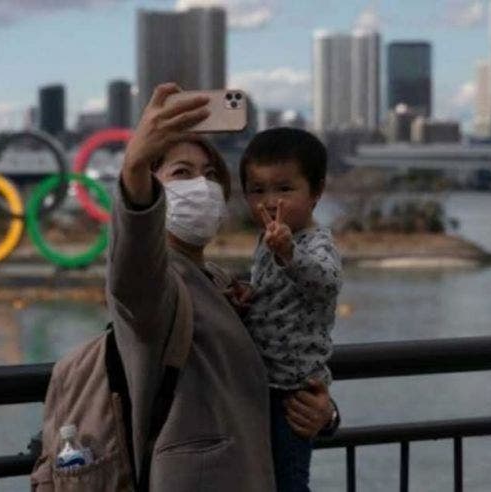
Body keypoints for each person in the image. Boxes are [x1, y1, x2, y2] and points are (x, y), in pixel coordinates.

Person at [108, 82, 339, 490]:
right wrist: (133, 169)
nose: (203, 184)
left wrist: (324, 413)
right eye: (182, 172)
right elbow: (131, 266)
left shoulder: (220, 283)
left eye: (212, 174)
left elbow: (264, 368)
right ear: (153, 186)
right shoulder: (154, 285)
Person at [238, 128, 342, 491]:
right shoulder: (267, 241)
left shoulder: (314, 242)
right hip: (262, 384)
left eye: (284, 189)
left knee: (288, 481)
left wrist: (288, 254)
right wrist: (246, 296)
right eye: (257, 190)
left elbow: (326, 282)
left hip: (291, 390)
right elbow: (270, 292)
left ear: (315, 193)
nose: (269, 201)